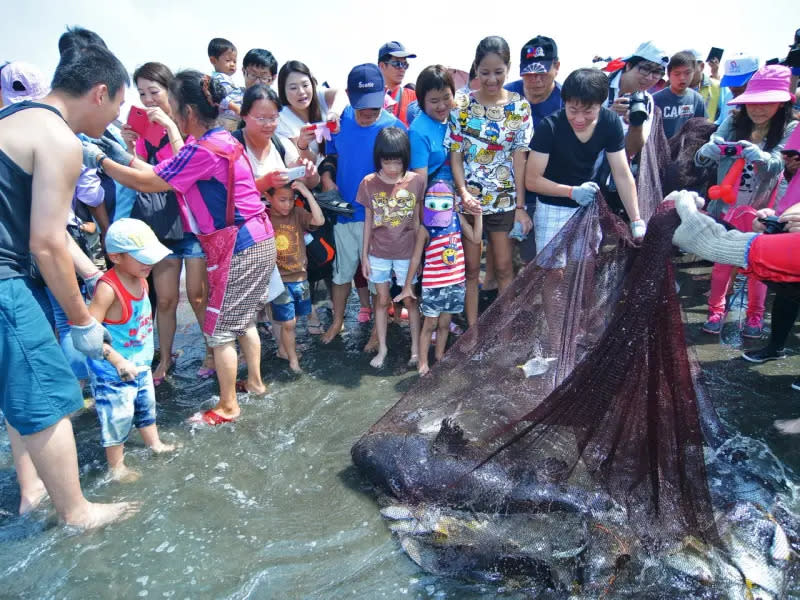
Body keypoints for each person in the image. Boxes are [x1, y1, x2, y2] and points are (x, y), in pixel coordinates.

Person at [84, 70, 277, 425]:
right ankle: (256, 382)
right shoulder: (222, 140)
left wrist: (99, 161)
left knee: (219, 333)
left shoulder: (202, 150)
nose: (168, 112)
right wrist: (119, 156)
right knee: (243, 319)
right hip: (256, 239)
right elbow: (163, 170)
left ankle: (228, 406)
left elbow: (151, 182)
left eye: (171, 106)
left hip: (240, 245)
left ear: (187, 112)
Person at [0, 39, 138, 527]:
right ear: (100, 93)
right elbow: (46, 243)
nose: (115, 119)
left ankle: (32, 490)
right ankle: (77, 512)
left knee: (19, 392)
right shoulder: (60, 140)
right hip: (7, 282)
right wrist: (81, 320)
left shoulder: (13, 119)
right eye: (119, 104)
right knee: (48, 393)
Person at [121, 61, 215, 384]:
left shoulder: (187, 123)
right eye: (142, 93)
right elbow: (143, 175)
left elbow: (185, 170)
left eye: (154, 92)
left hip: (191, 224)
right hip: (161, 225)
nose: (148, 100)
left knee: (197, 294)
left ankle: (212, 350)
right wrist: (131, 147)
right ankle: (165, 356)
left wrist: (171, 127)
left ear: (169, 91)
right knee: (165, 298)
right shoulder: (145, 133)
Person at [695, 65, 798, 335]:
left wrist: (759, 155)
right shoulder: (733, 120)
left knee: (759, 266)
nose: (758, 109)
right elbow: (701, 158)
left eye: (767, 102)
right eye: (753, 102)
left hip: (764, 209)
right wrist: (709, 150)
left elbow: (779, 166)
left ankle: (755, 316)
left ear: (783, 102)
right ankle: (716, 311)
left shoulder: (791, 127)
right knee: (721, 263)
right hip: (726, 205)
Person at [446, 36, 533, 327]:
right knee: (471, 271)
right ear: (475, 69)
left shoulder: (520, 107)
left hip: (505, 200)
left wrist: (520, 206)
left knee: (506, 268)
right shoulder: (461, 106)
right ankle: (472, 332)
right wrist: (461, 192)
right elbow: (455, 154)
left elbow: (520, 160)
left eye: (498, 72)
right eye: (484, 72)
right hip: (469, 201)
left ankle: (504, 335)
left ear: (508, 69)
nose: (491, 79)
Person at [319, 64, 405, 344]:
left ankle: (377, 333)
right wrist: (328, 179)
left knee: (377, 278)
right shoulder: (339, 121)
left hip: (379, 219)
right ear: (349, 96)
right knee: (342, 273)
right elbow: (330, 156)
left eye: (374, 106)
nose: (368, 113)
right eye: (362, 106)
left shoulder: (394, 128)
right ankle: (337, 322)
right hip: (345, 214)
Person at [87, 219, 177, 481]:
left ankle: (154, 443)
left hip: (139, 362)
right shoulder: (108, 289)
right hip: (112, 369)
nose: (148, 264)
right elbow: (89, 334)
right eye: (142, 258)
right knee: (118, 415)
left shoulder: (141, 278)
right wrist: (115, 360)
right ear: (116, 257)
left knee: (145, 405)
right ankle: (116, 467)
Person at [526, 68, 645, 251]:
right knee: (552, 272)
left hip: (587, 208)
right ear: (564, 102)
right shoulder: (549, 127)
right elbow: (532, 180)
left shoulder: (610, 122)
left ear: (601, 104)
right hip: (552, 206)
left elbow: (621, 173)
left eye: (588, 111)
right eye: (573, 110)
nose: (579, 119)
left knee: (584, 266)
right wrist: (572, 192)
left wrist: (636, 219)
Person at [395, 181, 482, 375]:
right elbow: (416, 257)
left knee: (444, 324)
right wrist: (407, 285)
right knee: (430, 324)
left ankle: (440, 356)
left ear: (453, 203)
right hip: (433, 284)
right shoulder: (426, 227)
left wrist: (479, 216)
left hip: (455, 282)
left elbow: (476, 239)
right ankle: (423, 362)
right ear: (427, 205)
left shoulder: (457, 219)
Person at [358, 127, 424, 368]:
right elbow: (367, 221)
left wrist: (419, 257)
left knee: (410, 300)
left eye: (397, 162)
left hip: (407, 252)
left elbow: (418, 221)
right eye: (387, 162)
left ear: (405, 158)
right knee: (382, 300)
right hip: (378, 252)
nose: (393, 168)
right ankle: (383, 348)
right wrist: (364, 256)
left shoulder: (416, 181)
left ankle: (416, 350)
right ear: (379, 159)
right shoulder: (369, 183)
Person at [267, 181, 324, 372]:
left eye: (291, 200)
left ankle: (285, 350)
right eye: (282, 200)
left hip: (300, 278)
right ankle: (293, 361)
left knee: (295, 319)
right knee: (288, 323)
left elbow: (319, 221)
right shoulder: (265, 217)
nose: (287, 205)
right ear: (269, 198)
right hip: (279, 280)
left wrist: (307, 195)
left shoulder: (298, 214)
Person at [275, 60, 347, 164]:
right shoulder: (282, 119)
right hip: (314, 175)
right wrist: (302, 145)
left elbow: (341, 94)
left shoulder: (318, 95)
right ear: (283, 90)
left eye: (305, 85)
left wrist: (333, 114)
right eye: (293, 88)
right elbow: (307, 163)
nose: (301, 92)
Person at [409, 65, 455, 185]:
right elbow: (420, 181)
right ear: (422, 101)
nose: (442, 106)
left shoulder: (457, 117)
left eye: (446, 98)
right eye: (434, 101)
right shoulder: (418, 131)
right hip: (436, 198)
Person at [653, 51, 707, 139]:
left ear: (693, 72)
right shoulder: (655, 99)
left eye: (687, 73)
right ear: (668, 74)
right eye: (677, 74)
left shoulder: (697, 99)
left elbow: (702, 129)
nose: (682, 78)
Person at [378, 41, 417, 126]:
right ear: (382, 66)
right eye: (397, 64)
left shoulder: (415, 98)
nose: (402, 69)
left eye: (405, 64)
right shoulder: (369, 98)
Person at [208, 37, 242, 131]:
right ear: (213, 60)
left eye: (234, 61)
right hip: (225, 120)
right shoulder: (218, 79)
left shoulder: (226, 78)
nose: (232, 64)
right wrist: (236, 108)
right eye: (228, 60)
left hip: (232, 119)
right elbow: (220, 97)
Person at [716, 53, 760, 126]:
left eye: (738, 83)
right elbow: (720, 122)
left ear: (755, 76)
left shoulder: (763, 102)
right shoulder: (729, 96)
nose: (733, 88)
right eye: (730, 82)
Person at [689, 49, 722, 122]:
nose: (685, 72)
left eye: (690, 67)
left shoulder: (719, 87)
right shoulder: (673, 88)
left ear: (702, 66)